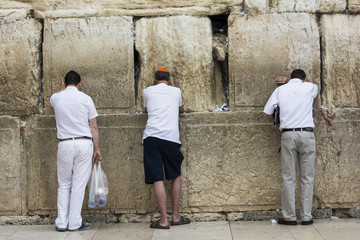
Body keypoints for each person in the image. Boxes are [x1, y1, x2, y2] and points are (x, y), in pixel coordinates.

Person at [263, 69, 318, 226]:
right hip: (307, 135)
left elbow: (266, 113)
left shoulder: (280, 90)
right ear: (304, 78)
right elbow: (314, 85)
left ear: (291, 77)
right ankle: (306, 217)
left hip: (288, 135)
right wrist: (291, 81)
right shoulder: (310, 88)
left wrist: (278, 118)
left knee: (289, 177)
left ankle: (290, 217)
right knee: (307, 177)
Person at [50, 70, 102, 231]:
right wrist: (97, 148)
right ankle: (74, 223)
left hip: (65, 143)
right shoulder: (86, 99)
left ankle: (61, 222)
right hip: (84, 143)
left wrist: (62, 86)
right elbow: (93, 126)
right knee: (78, 185)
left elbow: (56, 95)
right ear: (80, 84)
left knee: (64, 184)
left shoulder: (56, 98)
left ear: (64, 83)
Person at [142, 68, 191, 229]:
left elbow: (146, 109)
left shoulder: (147, 91)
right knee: (176, 175)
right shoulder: (176, 91)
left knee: (157, 178)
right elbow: (178, 107)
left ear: (155, 80)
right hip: (170, 138)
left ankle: (163, 220)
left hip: (152, 137)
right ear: (169, 80)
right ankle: (176, 216)